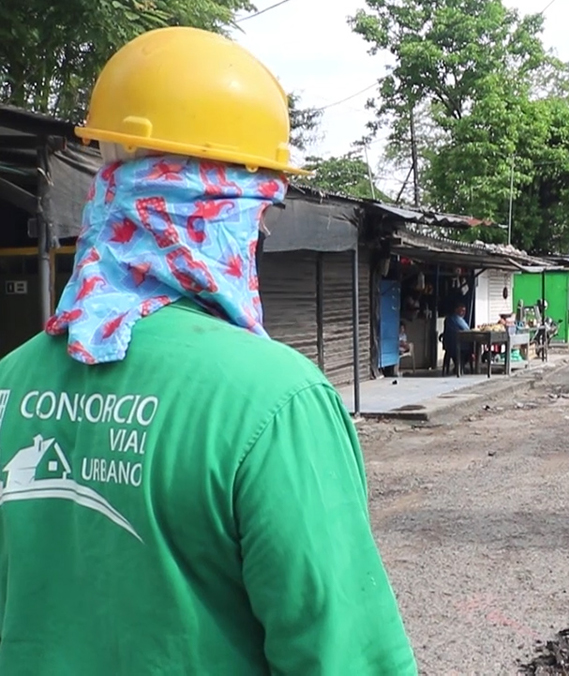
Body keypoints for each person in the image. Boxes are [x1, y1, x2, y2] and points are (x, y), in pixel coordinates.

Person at [0, 27, 417, 675]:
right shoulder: (275, 401)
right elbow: (343, 658)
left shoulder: (8, 383)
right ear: (226, 211)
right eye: (265, 213)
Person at [442, 303, 472, 370]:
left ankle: (459, 366)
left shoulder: (450, 319)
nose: (463, 312)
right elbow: (467, 330)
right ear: (456, 310)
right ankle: (460, 366)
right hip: (457, 345)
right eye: (461, 310)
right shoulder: (456, 319)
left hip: (449, 345)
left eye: (464, 311)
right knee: (471, 349)